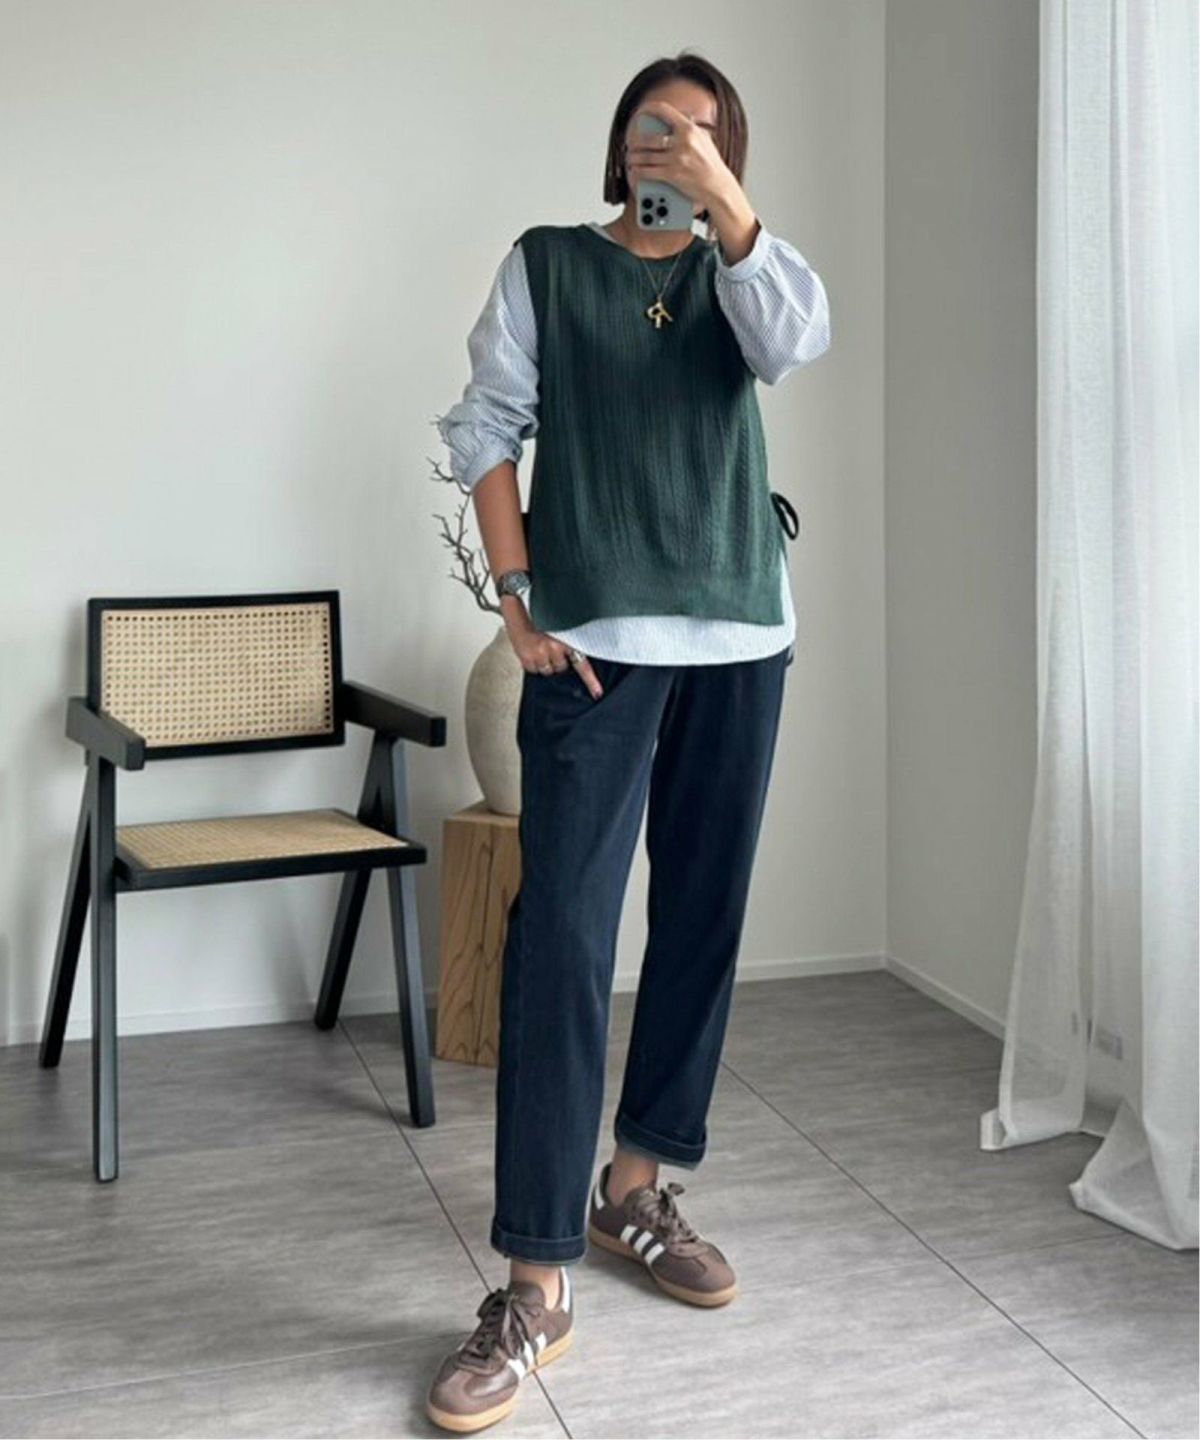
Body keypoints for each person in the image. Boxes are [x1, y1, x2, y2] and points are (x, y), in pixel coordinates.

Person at [427, 50, 831, 1434]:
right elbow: (486, 424)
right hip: (594, 648)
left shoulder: (745, 272)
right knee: (561, 941)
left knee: (703, 918)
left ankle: (639, 1189)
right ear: (620, 143)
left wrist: (732, 212)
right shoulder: (547, 264)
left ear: (731, 158)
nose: (679, 147)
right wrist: (515, 592)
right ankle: (536, 1281)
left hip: (743, 635)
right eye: (660, 128)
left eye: (708, 135)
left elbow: (797, 343)